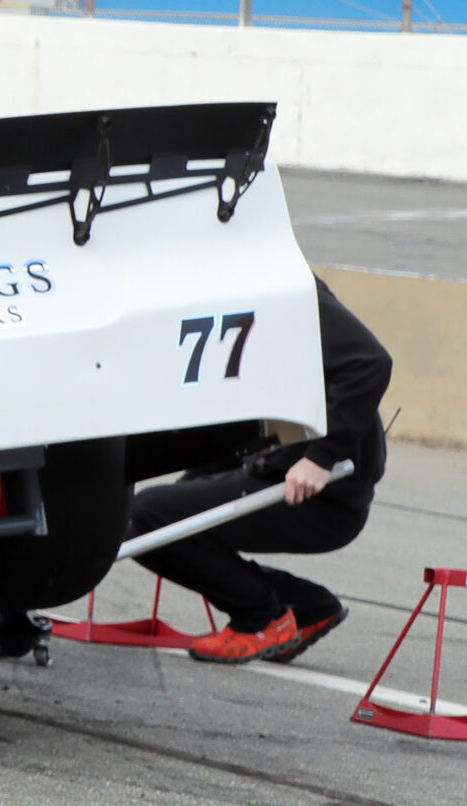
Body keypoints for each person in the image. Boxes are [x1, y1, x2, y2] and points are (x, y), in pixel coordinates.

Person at [130, 276, 392, 664]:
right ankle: (303, 606)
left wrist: (322, 457)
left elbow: (369, 363)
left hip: (319, 492)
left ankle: (261, 618)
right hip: (268, 466)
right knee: (148, 527)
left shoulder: (281, 286)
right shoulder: (225, 287)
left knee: (149, 514)